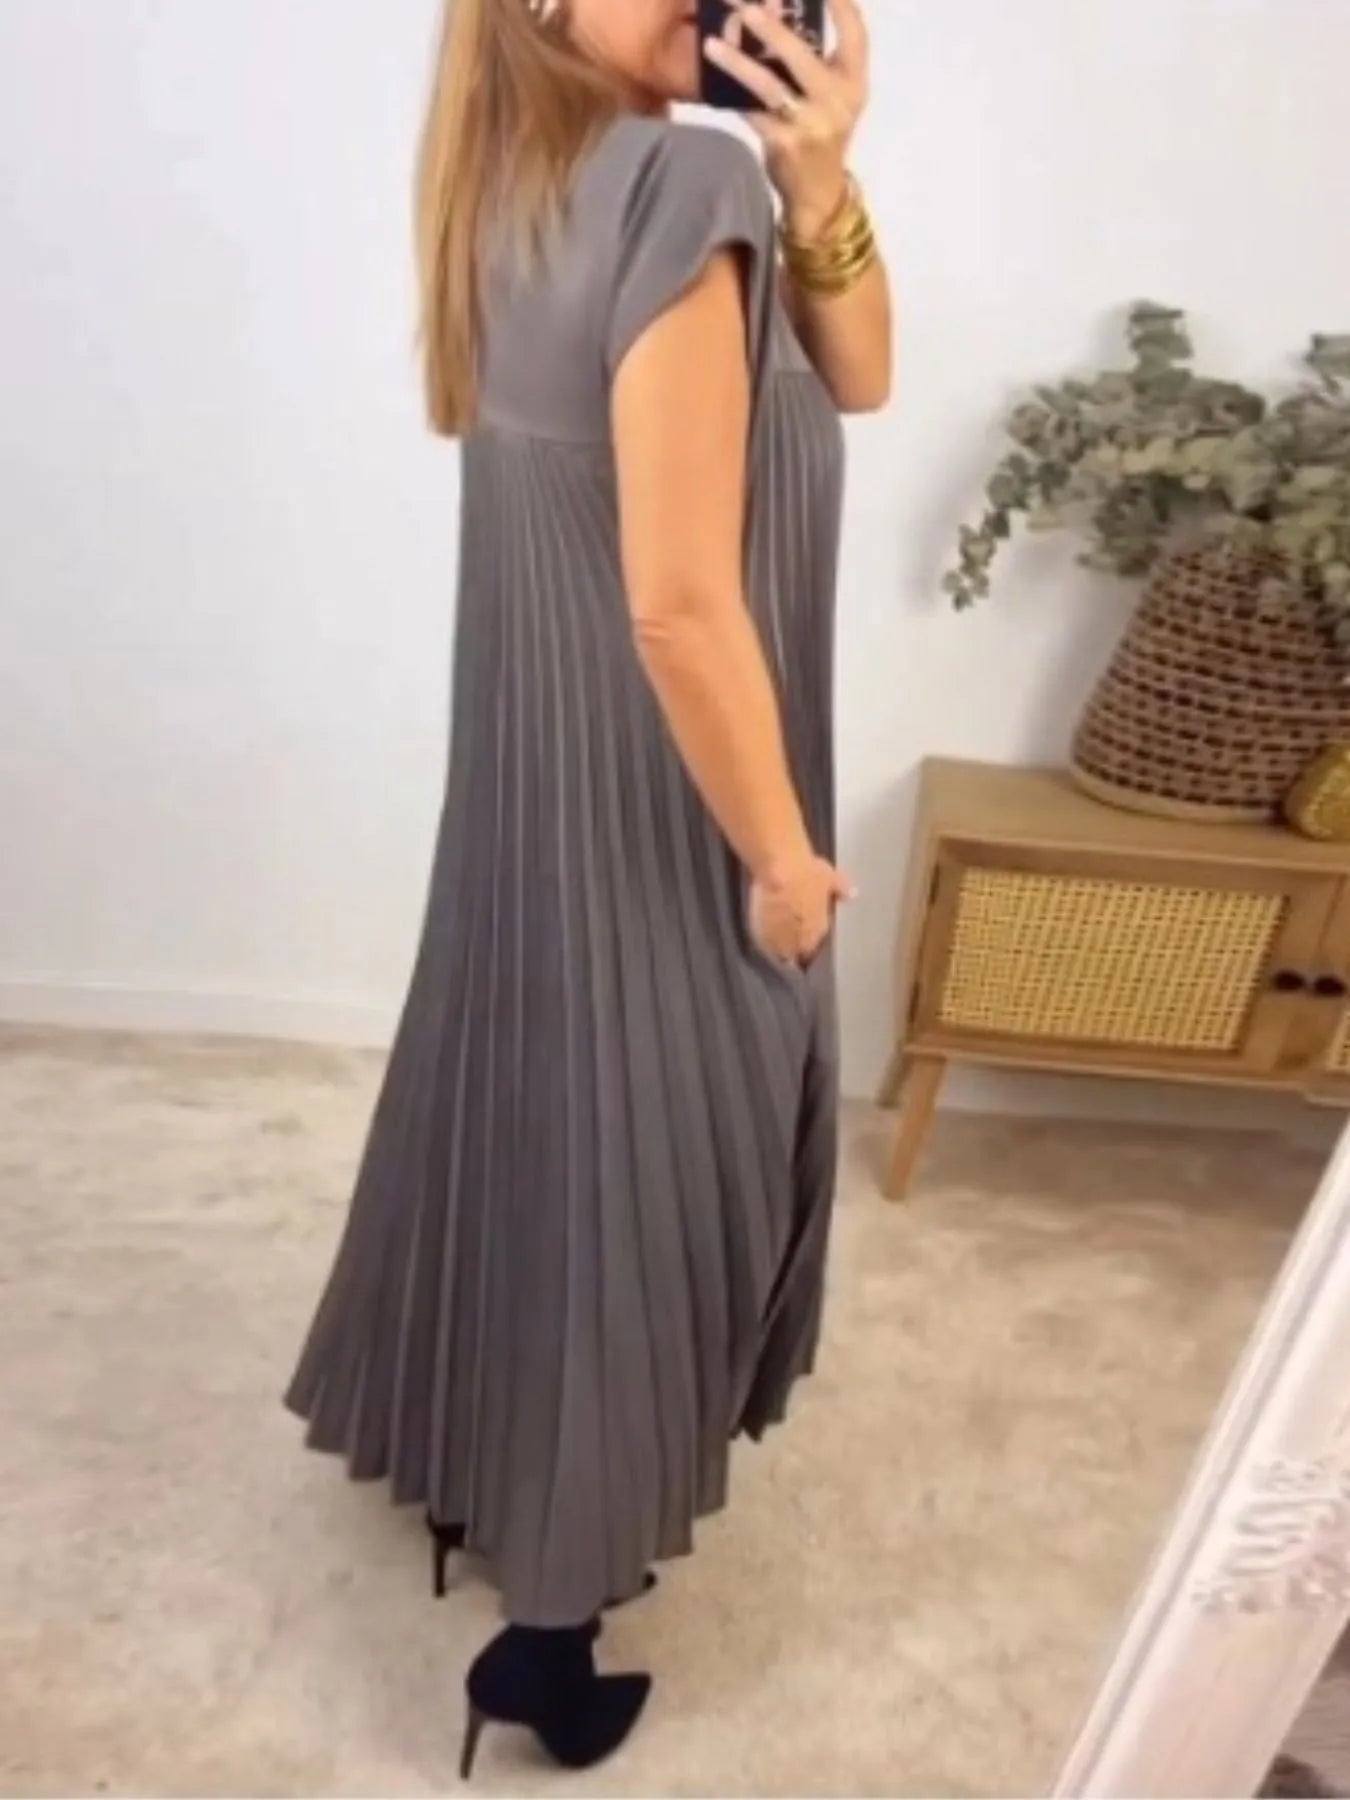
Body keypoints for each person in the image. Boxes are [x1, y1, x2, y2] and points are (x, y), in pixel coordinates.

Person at [284, 0, 891, 1775]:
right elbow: (681, 606)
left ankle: (474, 1473)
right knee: (664, 1182)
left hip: (537, 772)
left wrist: (820, 174)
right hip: (668, 792)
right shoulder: (677, 184)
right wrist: (778, 861)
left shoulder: (508, 176)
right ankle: (543, 1649)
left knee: (530, 1118)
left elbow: (857, 374)